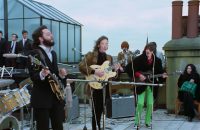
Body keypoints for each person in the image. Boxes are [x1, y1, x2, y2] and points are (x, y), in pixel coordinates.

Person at [79, 36, 121, 130]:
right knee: (95, 111)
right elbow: (81, 66)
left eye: (107, 43)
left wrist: (116, 70)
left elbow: (112, 76)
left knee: (101, 110)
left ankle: (99, 126)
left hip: (105, 87)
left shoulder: (109, 57)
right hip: (94, 87)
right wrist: (94, 72)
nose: (105, 45)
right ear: (98, 45)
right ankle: (95, 127)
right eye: (103, 43)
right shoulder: (91, 55)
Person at [28, 25, 65, 130]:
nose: (51, 35)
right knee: (42, 127)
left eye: (51, 33)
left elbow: (54, 74)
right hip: (42, 98)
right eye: (48, 34)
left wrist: (61, 75)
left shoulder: (53, 53)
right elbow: (33, 76)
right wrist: (42, 74)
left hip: (56, 98)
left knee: (59, 127)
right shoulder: (34, 54)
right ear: (40, 38)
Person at [126, 43, 167, 128]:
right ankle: (137, 122)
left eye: (149, 52)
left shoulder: (157, 61)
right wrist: (139, 75)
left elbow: (159, 73)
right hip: (141, 85)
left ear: (153, 51)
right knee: (140, 103)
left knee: (150, 104)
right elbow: (129, 68)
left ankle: (147, 122)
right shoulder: (140, 58)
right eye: (146, 51)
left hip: (151, 85)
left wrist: (163, 76)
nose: (147, 53)